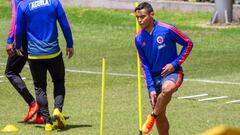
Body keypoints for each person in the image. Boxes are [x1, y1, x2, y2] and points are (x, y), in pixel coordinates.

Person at [134, 2, 193, 135]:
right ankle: (156, 115)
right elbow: (144, 65)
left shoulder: (167, 29)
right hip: (154, 77)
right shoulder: (138, 38)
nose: (139, 20)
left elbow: (188, 43)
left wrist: (175, 64)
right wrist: (150, 88)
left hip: (173, 73)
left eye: (142, 16)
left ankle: (152, 115)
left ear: (152, 14)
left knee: (167, 89)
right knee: (161, 116)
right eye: (137, 17)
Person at [15, 0, 74, 131]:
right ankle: (58, 109)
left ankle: (47, 123)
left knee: (40, 87)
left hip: (34, 55)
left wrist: (18, 45)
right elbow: (65, 24)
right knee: (58, 81)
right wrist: (70, 44)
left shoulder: (23, 6)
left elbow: (18, 29)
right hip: (53, 53)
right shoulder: (53, 2)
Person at [5, 0, 44, 124]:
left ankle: (33, 104)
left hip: (23, 38)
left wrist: (11, 39)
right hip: (38, 37)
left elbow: (16, 18)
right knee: (38, 76)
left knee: (10, 72)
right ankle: (42, 114)